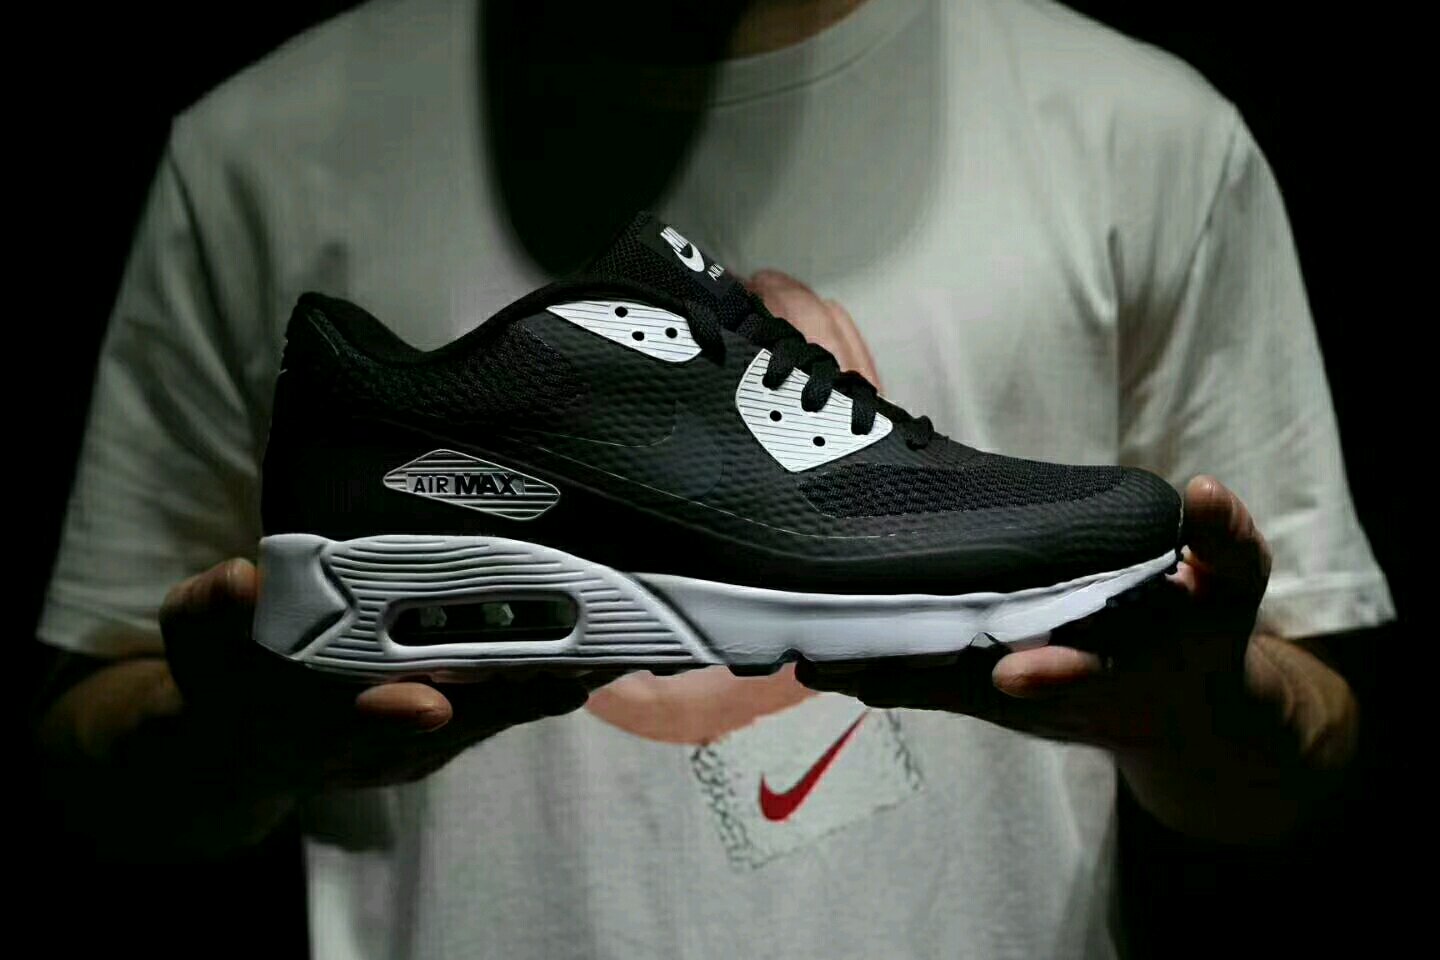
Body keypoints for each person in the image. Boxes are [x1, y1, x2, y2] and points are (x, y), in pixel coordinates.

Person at [35, 0, 1394, 956]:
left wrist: (1199, 715)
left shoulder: (1151, 134)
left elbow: (1310, 749)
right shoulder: (258, 149)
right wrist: (231, 740)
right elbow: (83, 768)